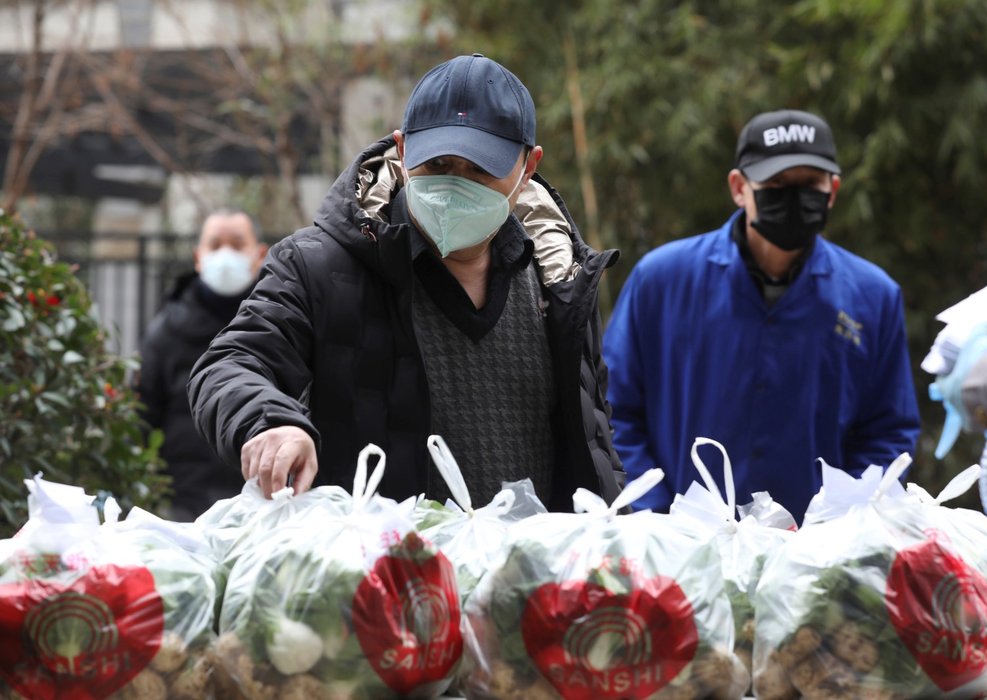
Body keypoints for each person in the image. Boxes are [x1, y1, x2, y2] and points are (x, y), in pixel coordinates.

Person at [188, 54, 623, 510]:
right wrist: (270, 422)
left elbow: (593, 441)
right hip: (384, 574)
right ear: (402, 147)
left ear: (528, 166)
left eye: (480, 169)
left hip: (532, 573)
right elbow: (229, 363)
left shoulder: (560, 280)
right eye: (436, 165)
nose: (455, 185)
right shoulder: (320, 266)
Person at [602, 109, 921, 522]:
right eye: (775, 184)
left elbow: (888, 433)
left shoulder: (871, 296)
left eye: (810, 184)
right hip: (681, 550)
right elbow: (613, 412)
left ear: (833, 190)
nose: (793, 197)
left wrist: (844, 524)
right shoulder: (662, 281)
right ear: (739, 187)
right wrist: (657, 515)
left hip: (815, 557)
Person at [138, 208, 268, 520]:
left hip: (263, 504)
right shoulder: (166, 332)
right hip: (182, 507)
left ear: (260, 254)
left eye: (237, 245)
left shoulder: (279, 325)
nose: (225, 255)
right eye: (215, 245)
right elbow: (140, 416)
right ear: (199, 257)